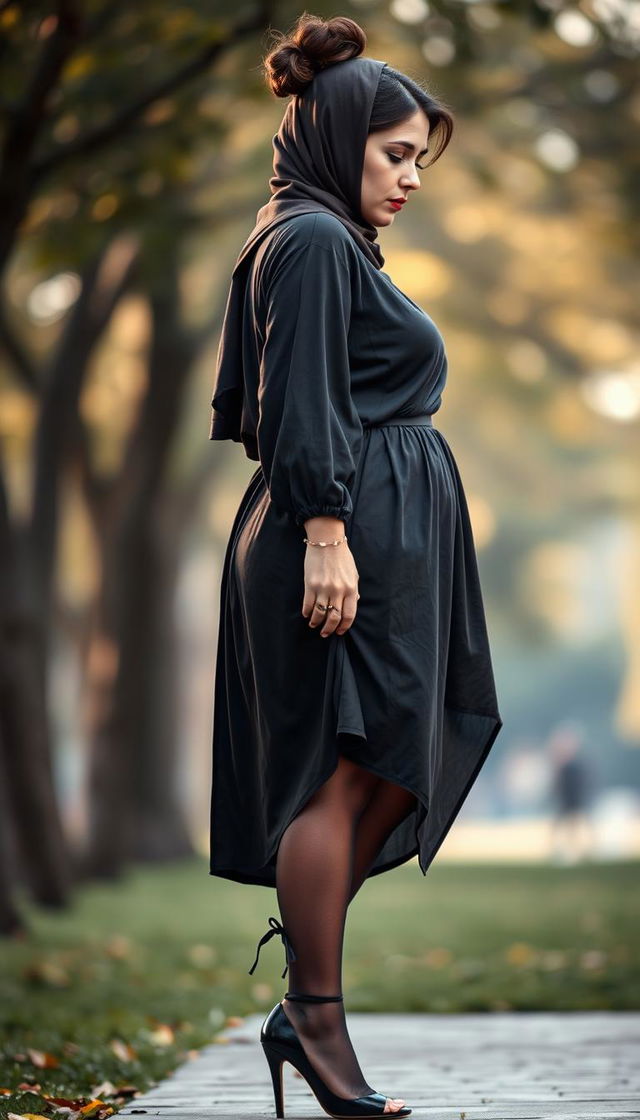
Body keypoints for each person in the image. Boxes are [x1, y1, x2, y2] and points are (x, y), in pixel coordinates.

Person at [207, 14, 504, 1118]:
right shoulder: (316, 242)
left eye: (419, 158)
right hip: (340, 533)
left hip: (373, 525)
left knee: (382, 761)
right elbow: (296, 409)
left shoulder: (316, 235)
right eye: (395, 154)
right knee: (339, 771)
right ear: (336, 137)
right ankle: (315, 1021)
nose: (411, 178)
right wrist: (328, 532)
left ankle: (305, 1004)